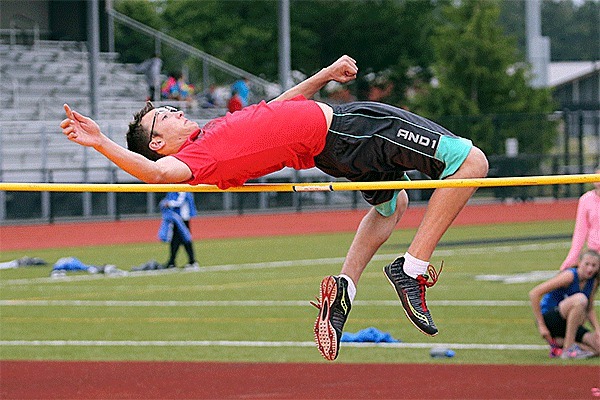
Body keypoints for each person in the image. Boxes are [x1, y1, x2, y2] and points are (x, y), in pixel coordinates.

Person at [60, 55, 489, 361]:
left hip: (333, 151)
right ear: (158, 145)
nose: (175, 111)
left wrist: (324, 75)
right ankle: (411, 269)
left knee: (390, 206)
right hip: (351, 129)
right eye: (166, 117)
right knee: (471, 162)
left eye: (171, 108)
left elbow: (277, 109)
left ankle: (345, 288)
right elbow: (153, 175)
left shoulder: (210, 135)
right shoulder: (192, 161)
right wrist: (101, 143)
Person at [529, 250, 600, 359]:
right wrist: (541, 326)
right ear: (580, 263)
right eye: (587, 264)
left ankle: (560, 343)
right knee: (580, 299)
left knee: (598, 347)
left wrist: (598, 330)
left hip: (569, 323)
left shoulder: (593, 281)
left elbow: (589, 309)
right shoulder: (570, 275)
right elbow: (534, 293)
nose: (590, 268)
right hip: (551, 316)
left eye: (594, 265)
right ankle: (568, 348)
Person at [560, 165, 600, 271]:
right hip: (594, 253)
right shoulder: (586, 200)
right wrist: (571, 259)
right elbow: (580, 232)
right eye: (596, 175)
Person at [159, 192, 199, 270]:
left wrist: (169, 203)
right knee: (176, 240)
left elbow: (180, 201)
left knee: (185, 240)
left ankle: (191, 262)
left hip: (183, 219)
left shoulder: (182, 189)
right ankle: (173, 262)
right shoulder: (173, 190)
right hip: (176, 219)